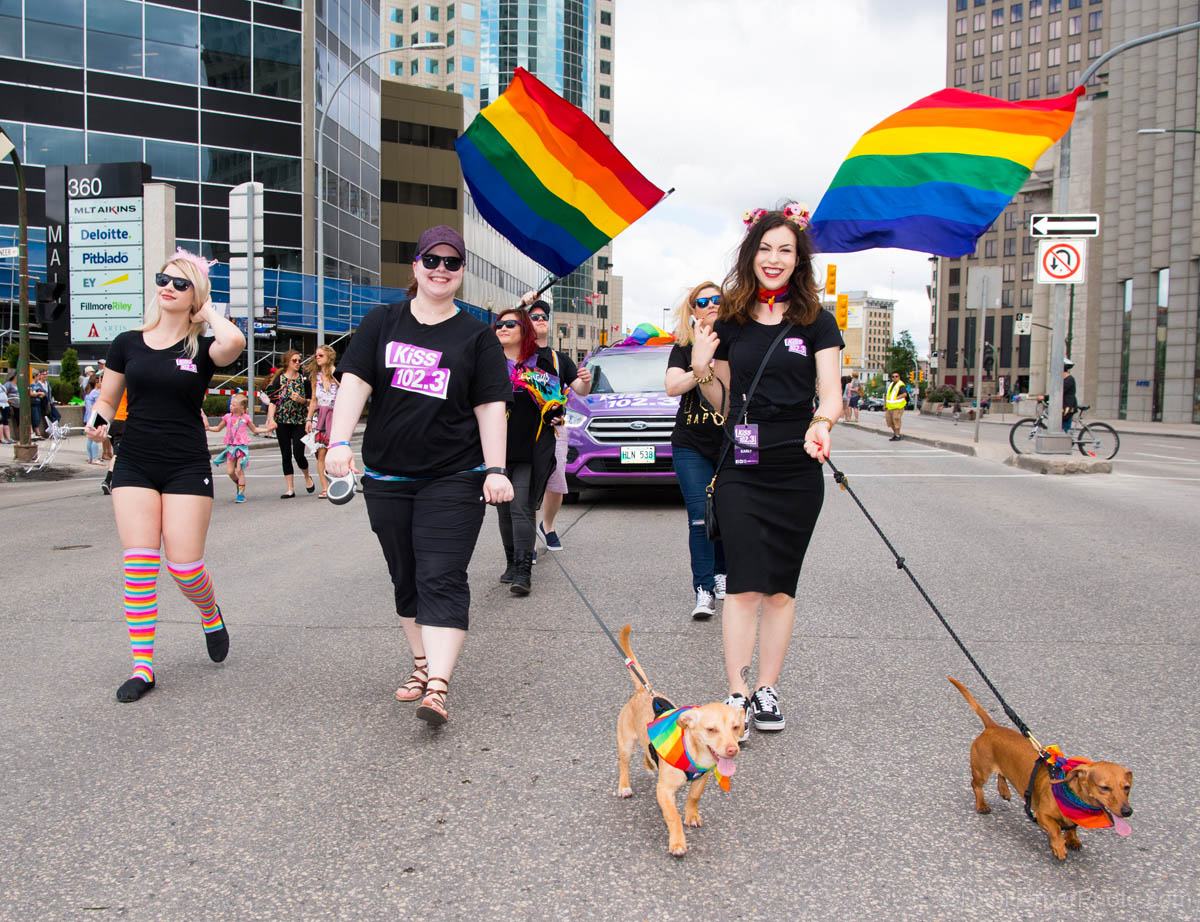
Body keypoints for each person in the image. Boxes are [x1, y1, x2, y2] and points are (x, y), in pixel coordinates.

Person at [325, 225, 514, 726]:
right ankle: (422, 662)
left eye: (452, 262)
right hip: (387, 476)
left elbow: (491, 406)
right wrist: (338, 443)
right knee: (405, 575)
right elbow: (355, 383)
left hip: (455, 475)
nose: (440, 270)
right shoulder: (382, 321)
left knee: (442, 575)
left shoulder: (476, 335)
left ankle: (437, 687)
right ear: (416, 265)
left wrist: (496, 469)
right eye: (432, 260)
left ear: (462, 271)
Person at [690, 204, 843, 737]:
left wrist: (821, 424)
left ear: (798, 260)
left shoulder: (817, 321)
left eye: (786, 250)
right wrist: (701, 367)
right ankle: (737, 691)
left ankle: (767, 690)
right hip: (742, 465)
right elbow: (722, 399)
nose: (774, 259)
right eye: (766, 248)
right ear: (751, 255)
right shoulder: (730, 321)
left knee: (779, 588)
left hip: (797, 466)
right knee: (744, 585)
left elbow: (831, 394)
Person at [85, 248, 247, 703]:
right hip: (135, 461)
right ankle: (143, 666)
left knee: (184, 566)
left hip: (186, 464)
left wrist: (207, 312)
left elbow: (235, 341)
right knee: (139, 562)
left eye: (180, 283)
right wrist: (97, 422)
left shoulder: (203, 349)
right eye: (163, 279)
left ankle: (209, 612)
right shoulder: (128, 342)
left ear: (195, 295)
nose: (168, 288)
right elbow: (107, 399)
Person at [664, 280, 728, 620]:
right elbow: (673, 386)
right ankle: (704, 589)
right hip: (690, 443)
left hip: (732, 442)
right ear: (693, 311)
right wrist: (702, 368)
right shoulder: (683, 347)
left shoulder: (738, 342)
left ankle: (722, 573)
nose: (711, 304)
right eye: (702, 302)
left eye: (717, 299)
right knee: (700, 516)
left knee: (729, 514)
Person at [493, 306, 564, 596]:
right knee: (503, 509)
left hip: (529, 448)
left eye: (510, 324)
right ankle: (511, 563)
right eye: (499, 324)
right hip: (495, 449)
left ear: (524, 330)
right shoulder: (489, 364)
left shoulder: (540, 364)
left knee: (520, 506)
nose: (503, 328)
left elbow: (555, 403)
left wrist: (556, 413)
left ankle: (524, 570)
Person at [520, 297, 592, 550]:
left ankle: (547, 526)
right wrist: (521, 305)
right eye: (535, 317)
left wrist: (586, 380)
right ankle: (527, 541)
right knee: (527, 483)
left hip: (555, 428)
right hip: (522, 429)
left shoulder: (559, 359)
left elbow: (580, 390)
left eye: (544, 317)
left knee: (556, 480)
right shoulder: (517, 356)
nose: (541, 320)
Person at [264, 349, 315, 498]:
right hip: (282, 421)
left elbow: (312, 402)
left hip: (299, 421)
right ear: (287, 362)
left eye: (299, 361)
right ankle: (290, 488)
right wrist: (271, 419)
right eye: (294, 360)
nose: (298, 363)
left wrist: (301, 400)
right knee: (285, 454)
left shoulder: (303, 380)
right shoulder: (279, 380)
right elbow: (273, 402)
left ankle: (307, 476)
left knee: (298, 454)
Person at [208, 392, 267, 502]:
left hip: (241, 448)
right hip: (230, 448)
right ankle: (239, 484)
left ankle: (241, 494)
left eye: (234, 405)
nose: (231, 406)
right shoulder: (227, 417)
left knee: (239, 470)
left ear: (242, 408)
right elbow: (218, 428)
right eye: (231, 404)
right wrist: (208, 428)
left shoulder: (246, 418)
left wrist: (267, 429)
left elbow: (255, 429)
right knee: (230, 472)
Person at [305, 344, 340, 498]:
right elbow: (313, 399)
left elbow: (346, 393)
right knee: (320, 454)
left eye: (321, 355)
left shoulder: (338, 374)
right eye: (316, 355)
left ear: (329, 357)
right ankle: (325, 488)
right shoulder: (316, 377)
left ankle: (337, 483)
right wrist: (308, 419)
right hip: (319, 417)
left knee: (333, 452)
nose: (317, 358)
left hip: (335, 416)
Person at [101, 389, 128, 495]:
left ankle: (116, 481)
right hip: (124, 420)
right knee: (117, 455)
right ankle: (107, 480)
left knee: (120, 454)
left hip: (114, 422)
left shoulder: (117, 388)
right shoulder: (128, 386)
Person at [82, 373, 103, 463]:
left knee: (90, 438)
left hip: (88, 417)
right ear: (97, 382)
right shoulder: (96, 393)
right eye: (101, 380)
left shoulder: (88, 393)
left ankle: (90, 458)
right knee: (95, 438)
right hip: (94, 417)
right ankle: (95, 458)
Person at [884, 371, 909, 441]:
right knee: (889, 421)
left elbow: (905, 394)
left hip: (898, 407)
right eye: (893, 377)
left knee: (896, 420)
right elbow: (887, 395)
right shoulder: (891, 385)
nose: (894, 378)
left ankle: (897, 435)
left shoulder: (901, 385)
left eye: (896, 376)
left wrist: (897, 397)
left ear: (899, 377)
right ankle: (896, 434)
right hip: (890, 407)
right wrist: (885, 404)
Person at [0, 371, 15, 444]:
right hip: (0, 405)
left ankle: (8, 438)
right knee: (0, 422)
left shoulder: (1, 385)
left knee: (6, 421)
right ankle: (2, 439)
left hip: (5, 404)